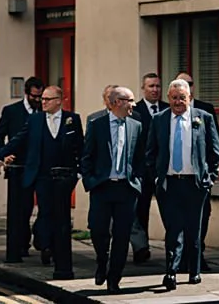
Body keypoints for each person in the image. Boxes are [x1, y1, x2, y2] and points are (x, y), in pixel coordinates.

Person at [0, 85, 85, 278]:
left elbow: (80, 146)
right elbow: (19, 139)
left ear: (58, 100)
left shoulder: (72, 119)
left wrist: (79, 172)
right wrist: (1, 155)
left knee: (61, 215)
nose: (43, 102)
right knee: (46, 211)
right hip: (42, 175)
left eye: (47, 99)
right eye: (42, 99)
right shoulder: (35, 119)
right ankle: (45, 244)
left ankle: (55, 249)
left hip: (64, 176)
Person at [146, 77, 219, 291]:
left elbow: (214, 151)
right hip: (169, 184)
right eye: (174, 98)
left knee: (193, 230)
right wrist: (155, 177)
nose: (178, 102)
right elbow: (150, 151)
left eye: (182, 98)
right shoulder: (159, 119)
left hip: (195, 184)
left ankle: (194, 270)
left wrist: (210, 178)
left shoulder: (203, 118)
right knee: (172, 229)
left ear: (190, 98)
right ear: (168, 98)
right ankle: (171, 271)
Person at [82, 85, 146, 292]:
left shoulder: (136, 125)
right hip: (102, 187)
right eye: (130, 100)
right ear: (117, 102)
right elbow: (87, 156)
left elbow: (140, 158)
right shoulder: (97, 124)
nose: (134, 105)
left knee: (122, 235)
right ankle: (102, 261)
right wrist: (90, 180)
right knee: (98, 230)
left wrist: (137, 181)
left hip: (126, 189)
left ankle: (114, 279)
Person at [0, 76, 43, 262]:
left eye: (40, 97)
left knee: (43, 207)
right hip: (19, 166)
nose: (37, 100)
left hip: (40, 166)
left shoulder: (44, 111)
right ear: (26, 93)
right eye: (34, 96)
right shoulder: (11, 111)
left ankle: (40, 239)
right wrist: (3, 154)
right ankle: (21, 245)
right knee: (21, 209)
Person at [175, 70, 219, 270]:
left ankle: (197, 256)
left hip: (198, 178)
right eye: (180, 83)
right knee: (178, 220)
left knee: (201, 217)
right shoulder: (170, 111)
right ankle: (179, 259)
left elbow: (215, 143)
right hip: (176, 177)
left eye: (189, 83)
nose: (186, 86)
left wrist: (210, 175)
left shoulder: (205, 110)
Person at [130, 72, 165, 263]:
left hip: (163, 170)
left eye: (158, 86)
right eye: (151, 86)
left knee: (168, 210)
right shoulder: (135, 111)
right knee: (140, 210)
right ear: (143, 88)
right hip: (142, 171)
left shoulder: (168, 109)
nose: (155, 90)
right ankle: (140, 248)